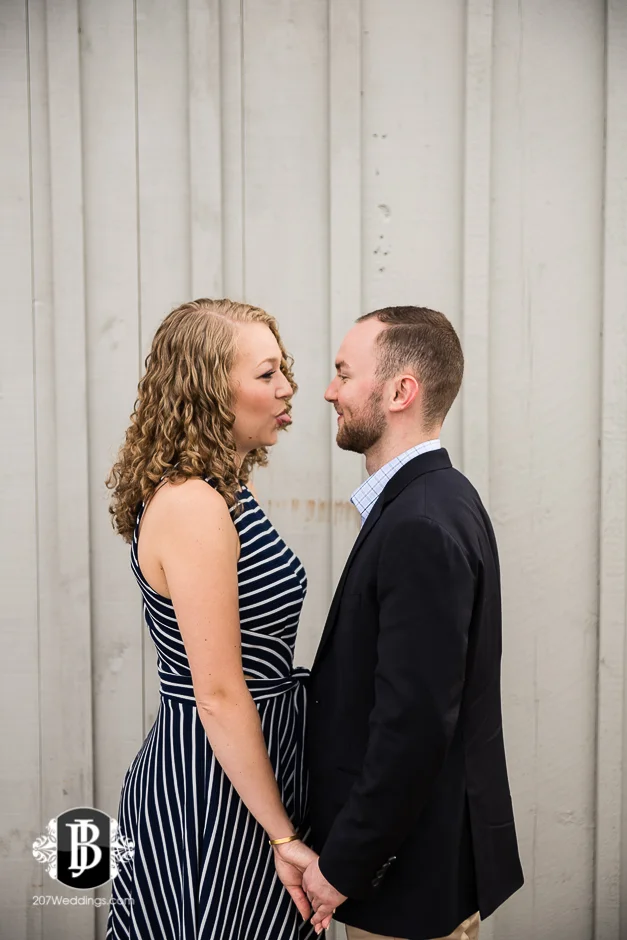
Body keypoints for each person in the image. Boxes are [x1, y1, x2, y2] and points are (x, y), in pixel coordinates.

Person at [104, 298, 331, 940]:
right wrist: (281, 834)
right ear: (208, 390)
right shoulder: (191, 504)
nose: (287, 387)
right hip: (211, 789)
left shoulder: (226, 492)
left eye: (283, 369)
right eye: (266, 373)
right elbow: (219, 692)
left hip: (251, 773)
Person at [302, 307, 524, 940]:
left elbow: (415, 723)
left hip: (406, 887)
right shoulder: (437, 498)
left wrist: (345, 865)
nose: (330, 391)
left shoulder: (420, 522)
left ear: (400, 392)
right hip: (415, 872)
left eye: (344, 373)